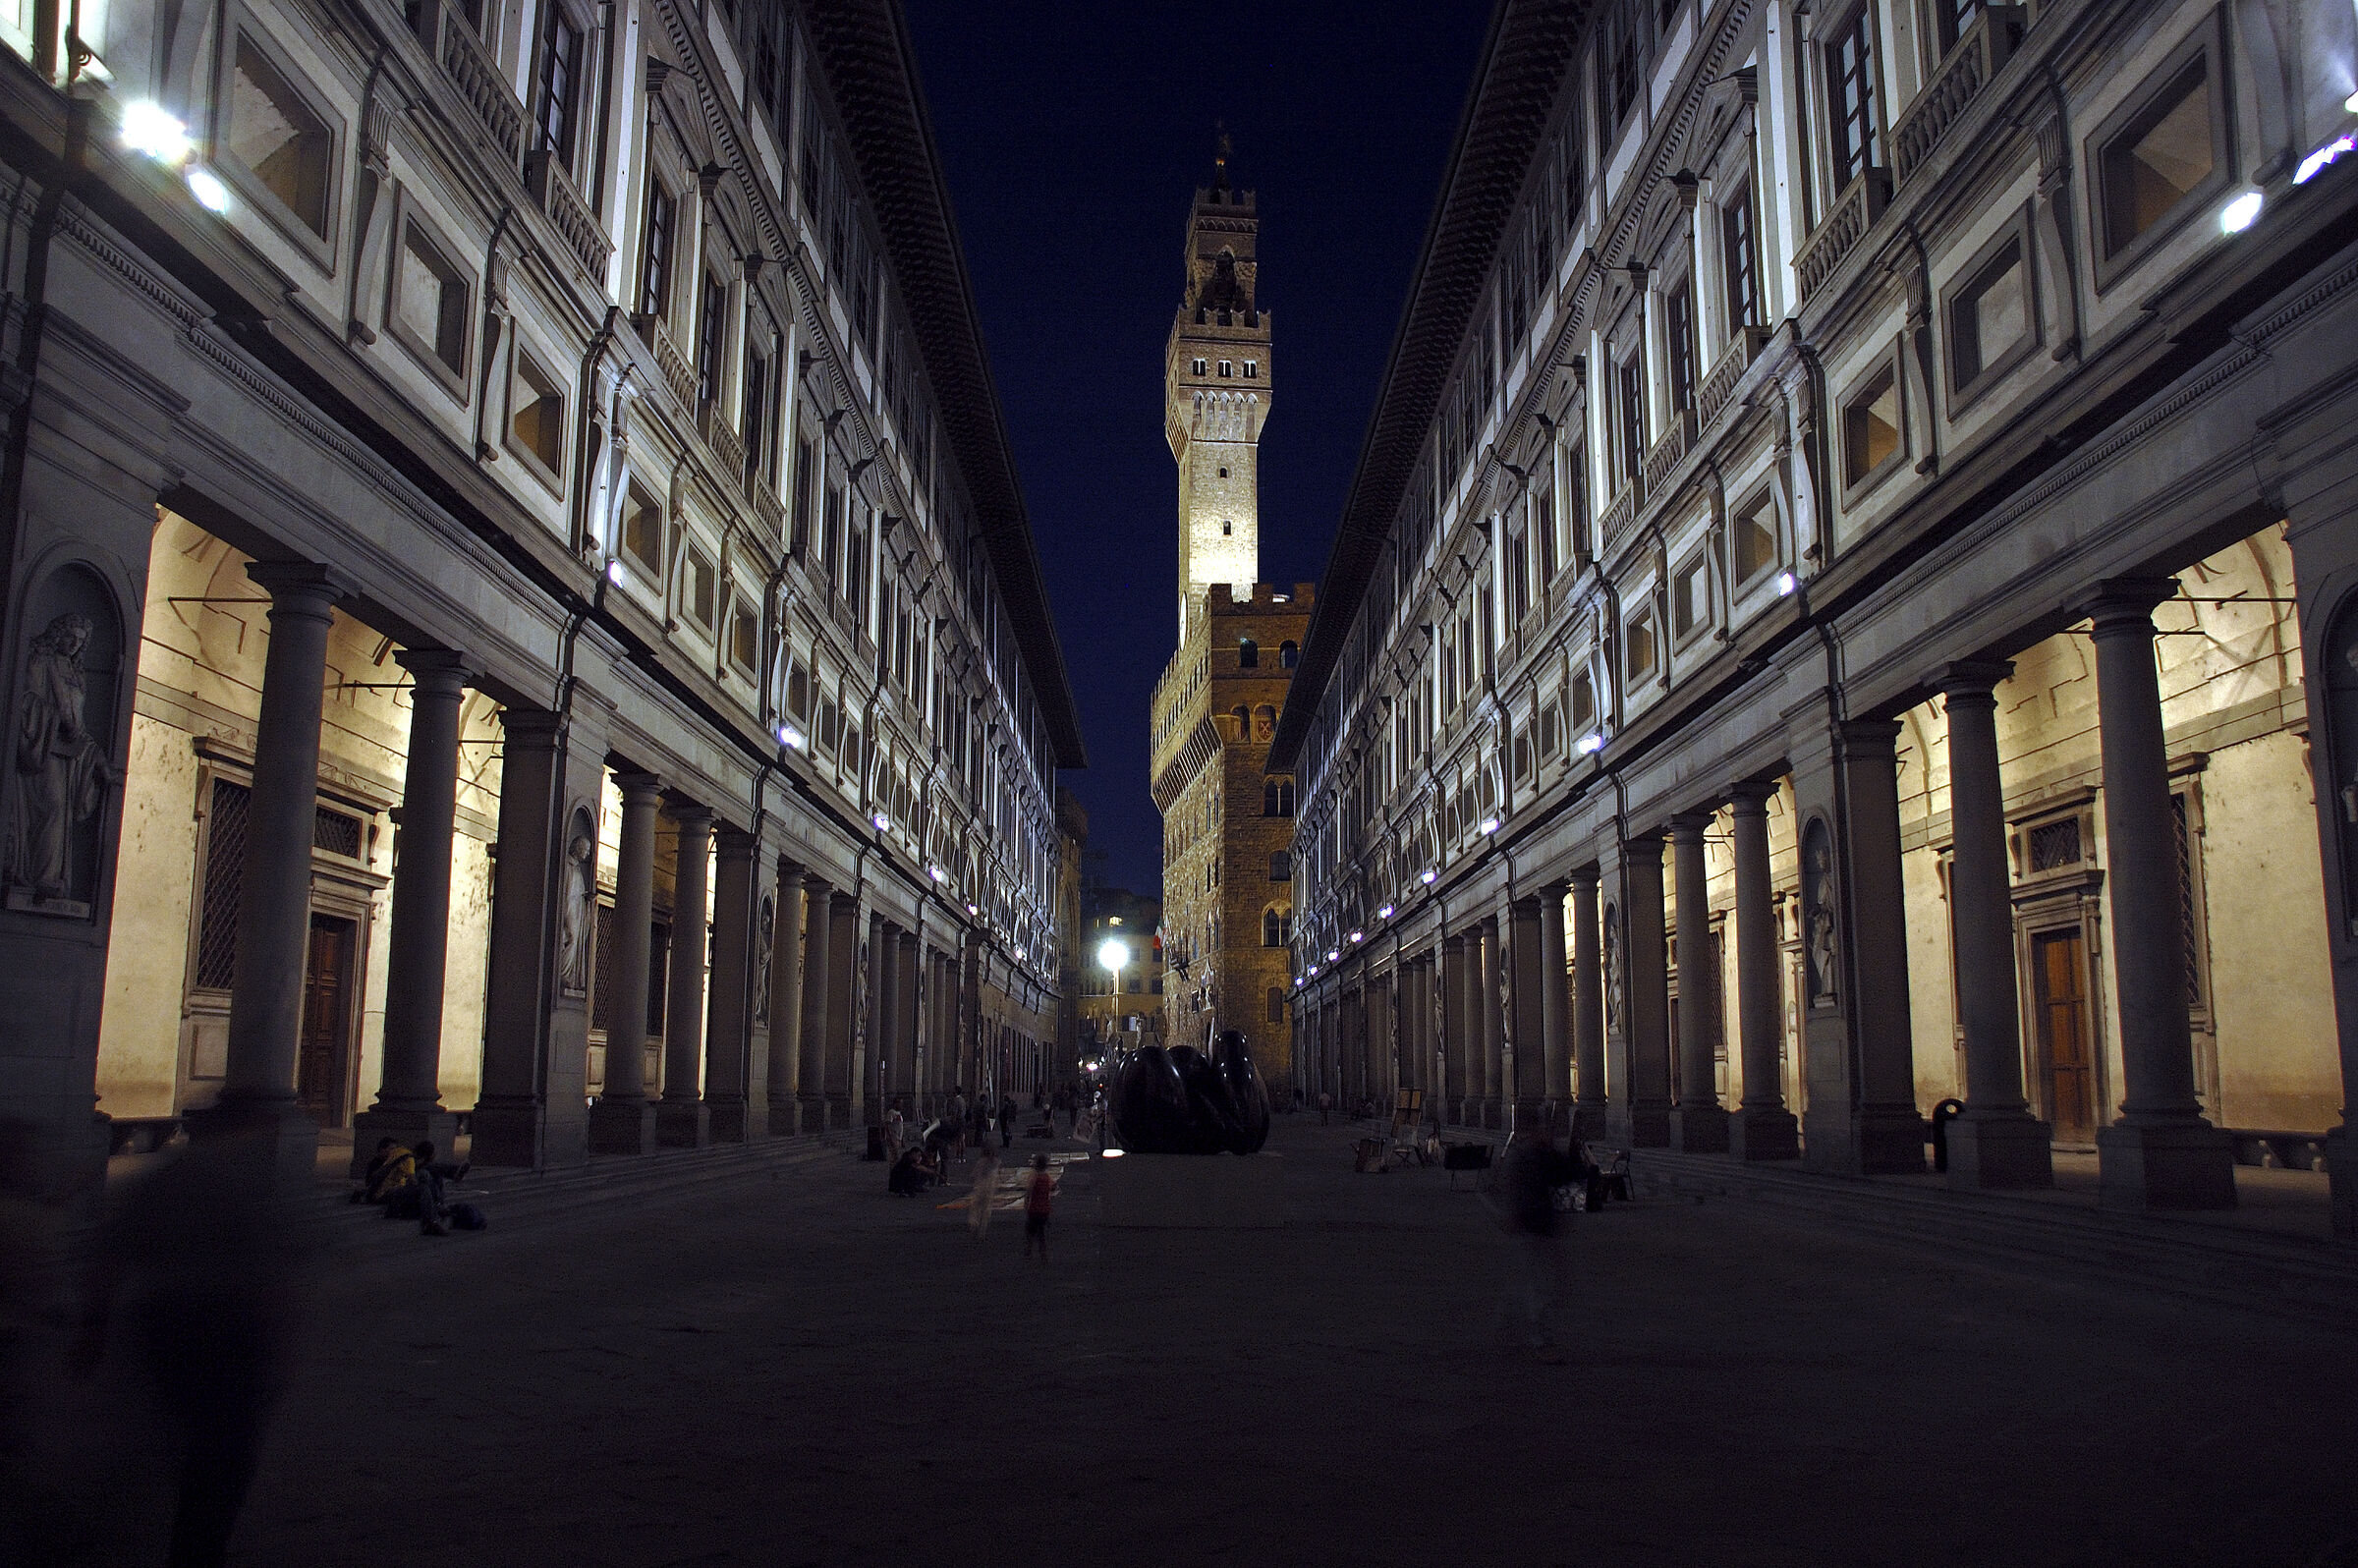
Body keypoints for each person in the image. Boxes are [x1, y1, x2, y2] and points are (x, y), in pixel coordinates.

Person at [1494, 1133, 1583, 1363]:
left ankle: (1508, 1327)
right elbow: (1513, 1187)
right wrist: (1514, 1214)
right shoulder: (1522, 1158)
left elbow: (1568, 1174)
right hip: (1530, 1226)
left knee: (1539, 1282)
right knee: (1537, 1285)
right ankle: (1540, 1339)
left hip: (1542, 1225)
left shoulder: (1541, 1156)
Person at [409, 1142, 470, 1236]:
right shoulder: (414, 1164)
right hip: (408, 1190)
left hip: (420, 1186)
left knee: (435, 1172)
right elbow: (412, 1179)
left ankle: (439, 1205)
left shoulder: (422, 1165)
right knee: (430, 1169)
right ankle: (454, 1173)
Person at [353, 1138, 414, 1204]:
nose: (394, 1151)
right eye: (391, 1149)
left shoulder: (394, 1161)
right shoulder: (378, 1163)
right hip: (380, 1194)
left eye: (396, 1149)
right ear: (382, 1150)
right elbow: (372, 1182)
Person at [1022, 1153, 1055, 1261]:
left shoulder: (1034, 1177)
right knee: (1042, 1233)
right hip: (1044, 1209)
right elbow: (1053, 1187)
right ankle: (1043, 1253)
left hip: (1034, 1209)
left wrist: (1026, 1204)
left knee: (1030, 1231)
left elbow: (1029, 1192)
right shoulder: (1047, 1177)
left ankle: (1029, 1251)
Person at [967, 1144, 1001, 1238]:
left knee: (975, 1206)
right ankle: (982, 1229)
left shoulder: (981, 1162)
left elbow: (974, 1174)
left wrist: (972, 1178)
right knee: (986, 1209)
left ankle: (974, 1223)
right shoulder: (996, 1162)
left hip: (980, 1187)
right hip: (990, 1189)